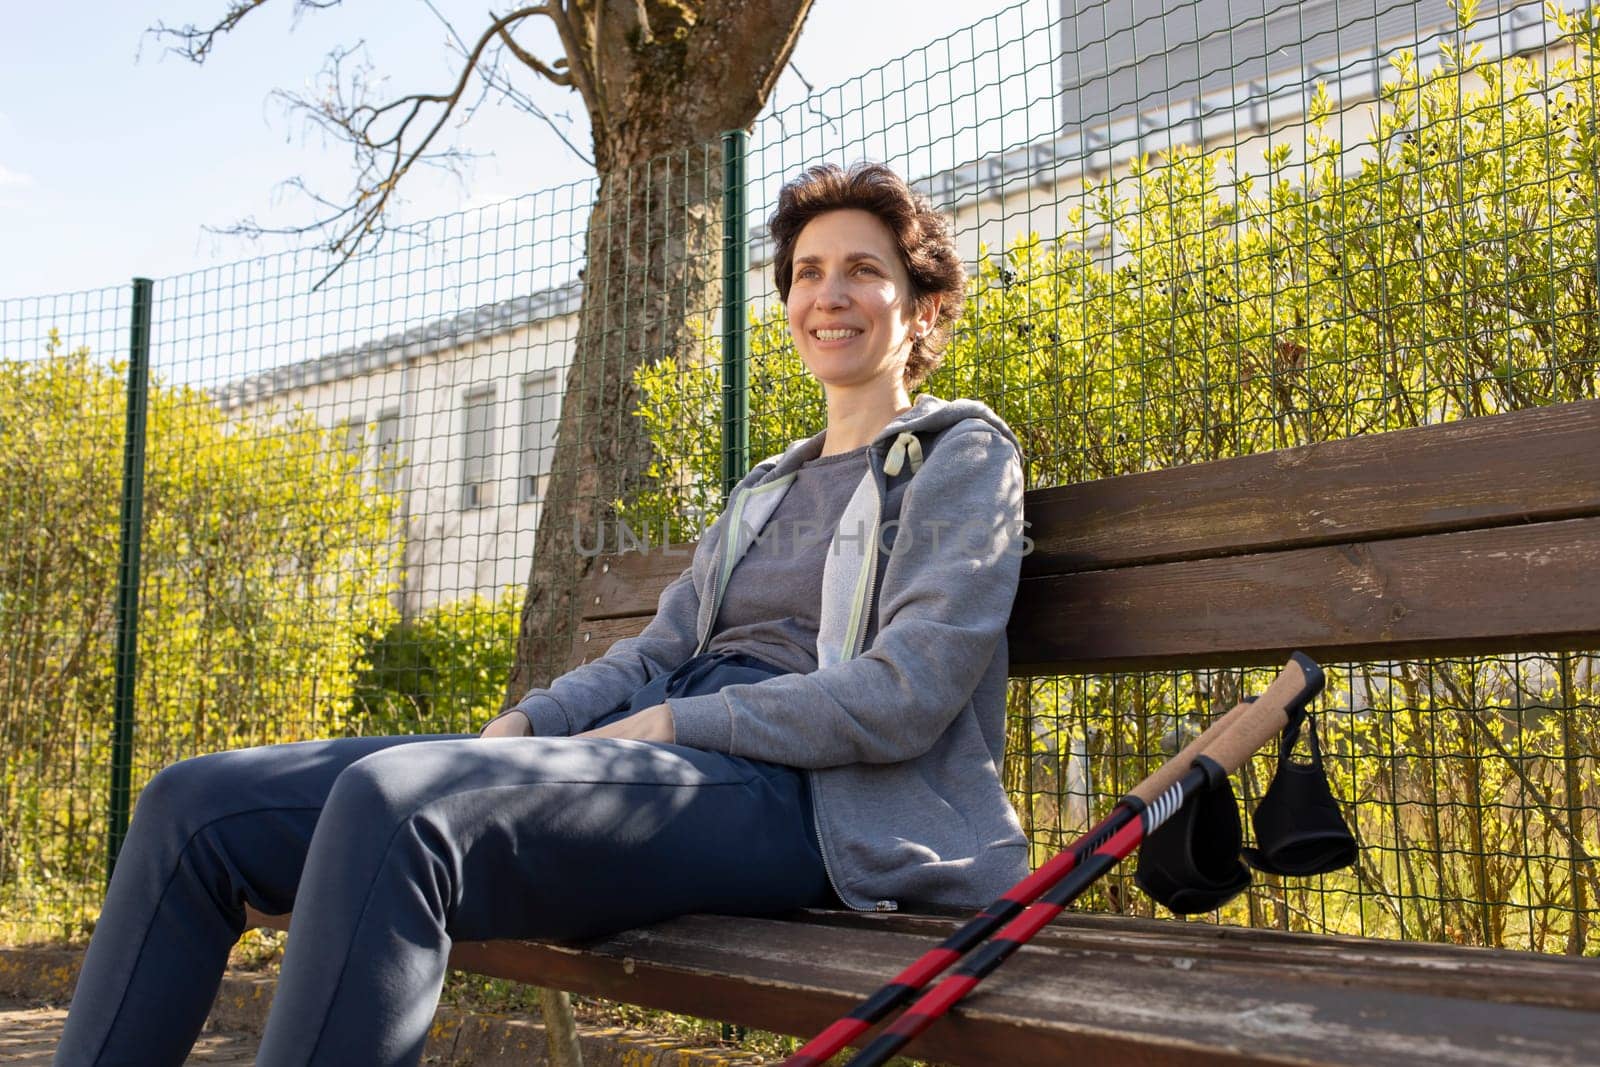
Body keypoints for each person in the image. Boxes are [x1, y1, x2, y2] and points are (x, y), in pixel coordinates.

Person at [55, 161, 1030, 1067]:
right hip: (669, 756)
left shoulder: (961, 456)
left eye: (863, 269)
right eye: (807, 271)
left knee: (406, 805)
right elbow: (656, 652)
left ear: (922, 304)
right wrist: (531, 721)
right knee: (194, 806)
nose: (828, 292)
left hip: (812, 795)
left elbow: (908, 691)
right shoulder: (765, 490)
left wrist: (680, 722)